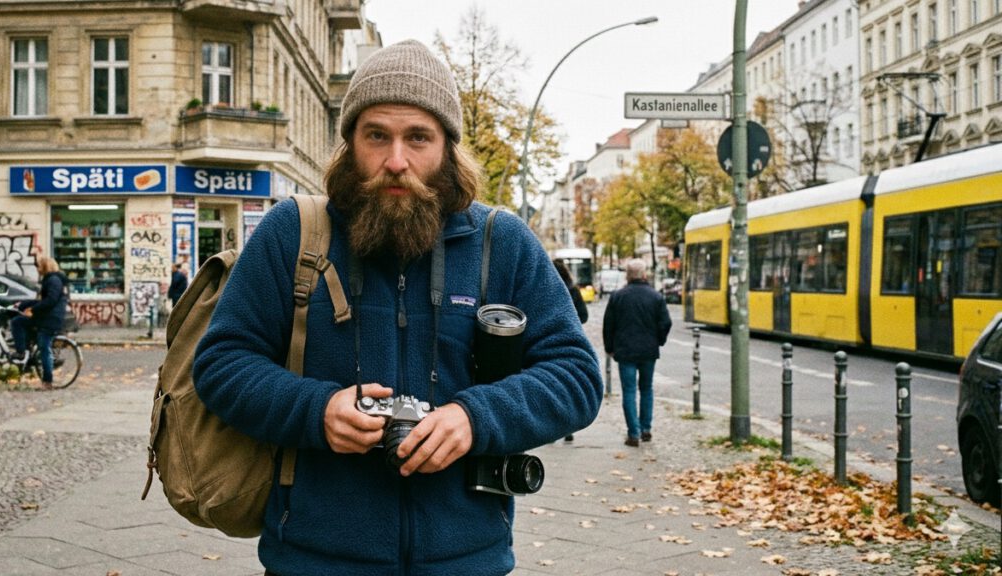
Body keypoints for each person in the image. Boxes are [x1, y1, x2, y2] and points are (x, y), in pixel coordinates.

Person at [193, 39, 602, 576]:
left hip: (467, 559)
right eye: (376, 136)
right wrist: (316, 411)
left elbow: (575, 377)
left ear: (448, 148)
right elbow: (221, 363)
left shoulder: (502, 243)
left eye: (418, 138)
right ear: (350, 143)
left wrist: (473, 419)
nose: (396, 161)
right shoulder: (291, 233)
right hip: (313, 559)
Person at [601, 258, 672, 447]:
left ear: (628, 276)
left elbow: (608, 325)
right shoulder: (656, 297)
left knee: (629, 391)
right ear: (644, 274)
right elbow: (665, 322)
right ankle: (646, 429)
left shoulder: (618, 296)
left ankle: (633, 433)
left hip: (625, 351)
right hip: (648, 351)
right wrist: (659, 340)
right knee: (647, 389)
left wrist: (609, 347)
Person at [10, 256, 68, 388]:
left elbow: (50, 301)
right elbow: (43, 301)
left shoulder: (53, 280)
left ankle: (47, 380)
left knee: (43, 347)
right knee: (20, 321)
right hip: (49, 316)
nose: (37, 268)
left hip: (50, 319)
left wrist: (33, 310)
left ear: (45, 266)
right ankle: (26, 353)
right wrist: (23, 305)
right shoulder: (53, 279)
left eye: (39, 266)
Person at [554, 258, 589, 444]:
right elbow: (584, 315)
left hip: (548, 342)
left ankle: (552, 428)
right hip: (569, 344)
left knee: (550, 385)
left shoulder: (548, 290)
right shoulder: (573, 290)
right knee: (567, 386)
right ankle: (568, 429)